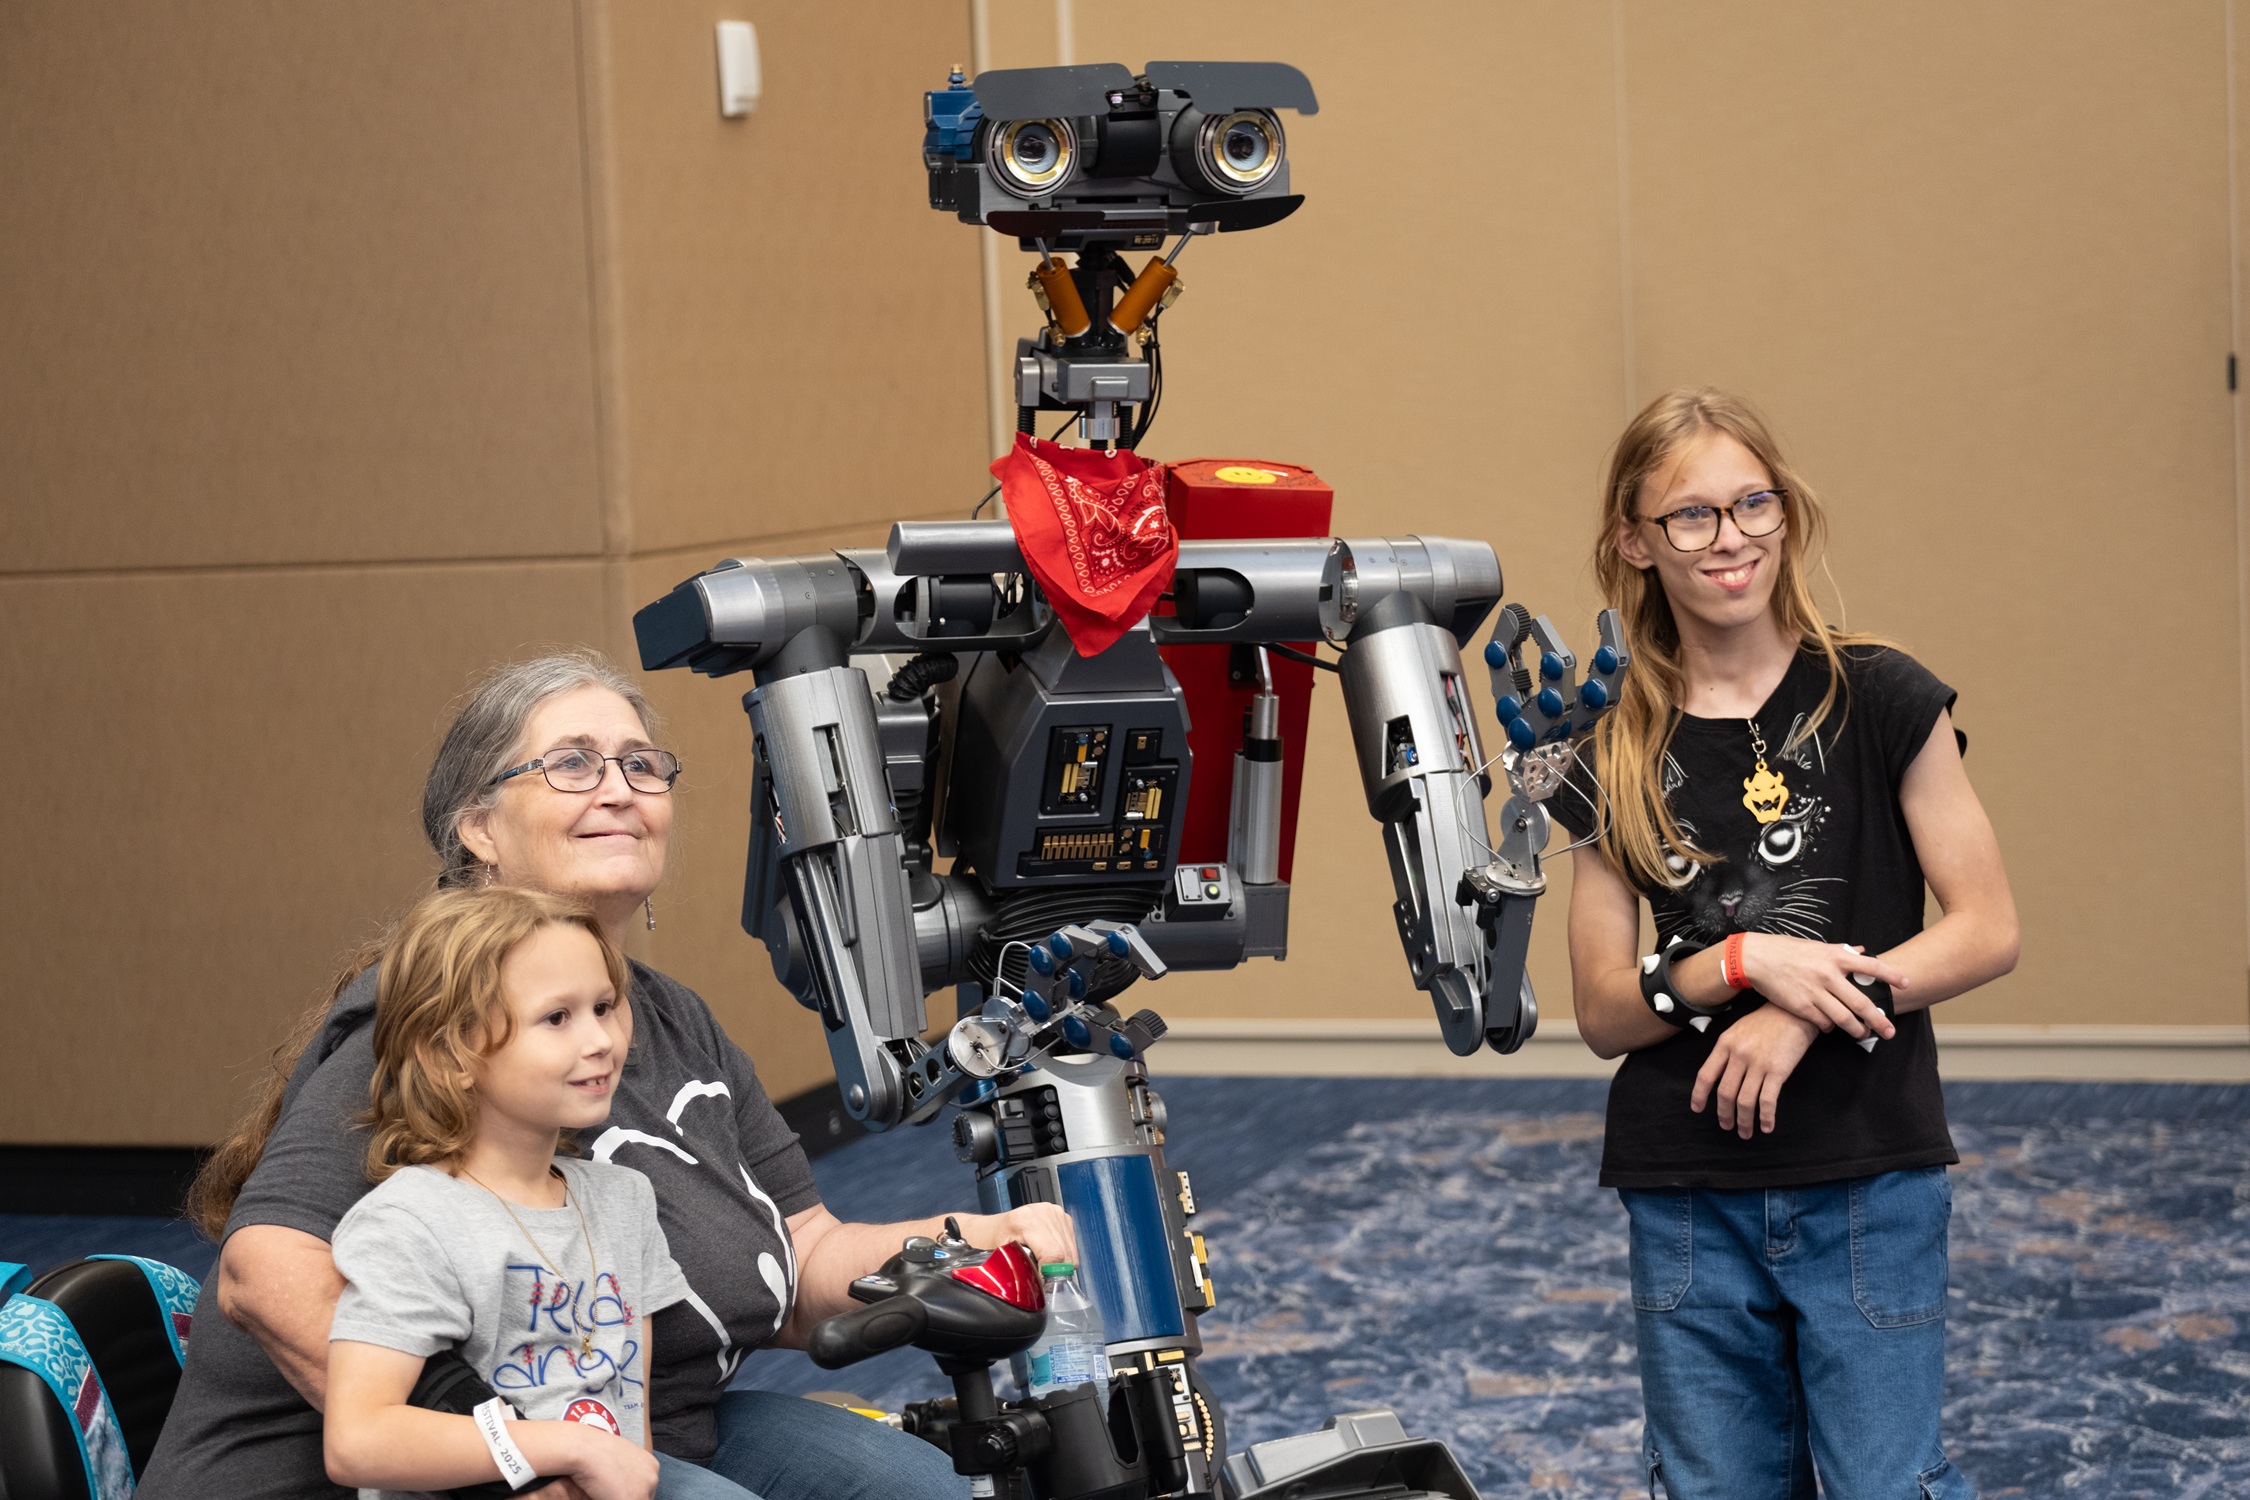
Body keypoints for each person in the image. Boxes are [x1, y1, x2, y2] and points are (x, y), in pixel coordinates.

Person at [141, 650, 1072, 1499]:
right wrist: (515, 1459)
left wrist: (971, 1237)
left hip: (639, 1427)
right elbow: (267, 1274)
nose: (620, 789)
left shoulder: (670, 1020)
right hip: (364, 1470)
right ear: (478, 830)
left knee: (931, 1489)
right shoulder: (433, 1022)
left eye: (641, 765)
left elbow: (802, 1257)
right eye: (573, 764)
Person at [1552, 389, 2018, 1500]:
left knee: (1885, 1487)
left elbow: (1987, 929)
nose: (1731, 539)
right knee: (1715, 1486)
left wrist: (1807, 998)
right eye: (1692, 517)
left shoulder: (1885, 696)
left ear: (1786, 513)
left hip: (1867, 1168)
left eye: (1752, 504)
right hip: (1687, 1187)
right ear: (1634, 540)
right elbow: (1605, 1014)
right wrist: (1742, 963)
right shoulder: (1604, 748)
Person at [325, 884, 750, 1499]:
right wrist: (570, 1446)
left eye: (604, 1008)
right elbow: (358, 1440)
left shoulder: (624, 1200)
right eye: (557, 1017)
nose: (600, 1040)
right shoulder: (409, 1221)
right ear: (451, 1057)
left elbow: (631, 1417)